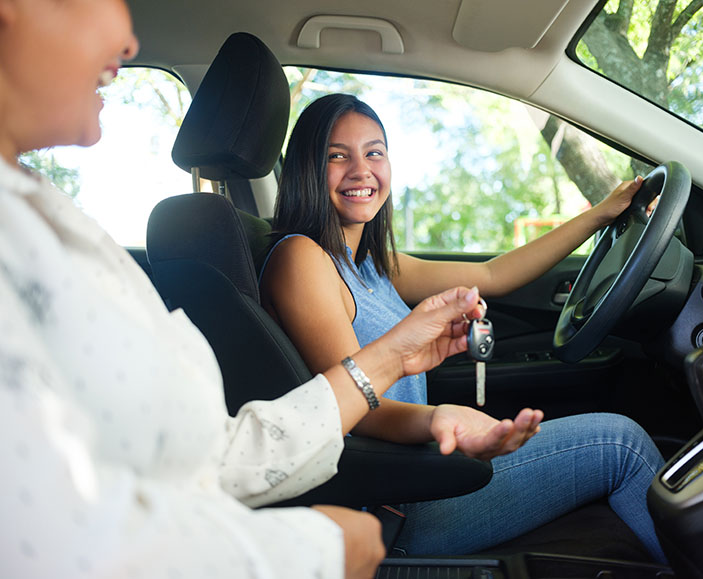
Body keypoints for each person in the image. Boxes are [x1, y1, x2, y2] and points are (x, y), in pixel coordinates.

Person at [0, 2, 544, 578]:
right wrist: (305, 551)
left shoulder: (48, 219)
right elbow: (49, 531)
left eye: (375, 153)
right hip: (373, 505)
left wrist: (399, 360)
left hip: (324, 500)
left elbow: (215, 453)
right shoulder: (24, 243)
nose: (126, 38)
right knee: (625, 444)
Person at [259, 93, 668, 563]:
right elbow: (356, 410)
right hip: (395, 504)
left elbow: (494, 276)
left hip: (420, 473)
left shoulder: (370, 263)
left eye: (374, 152)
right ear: (307, 170)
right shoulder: (302, 258)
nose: (361, 170)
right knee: (622, 445)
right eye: (337, 156)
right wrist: (440, 418)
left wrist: (600, 214)